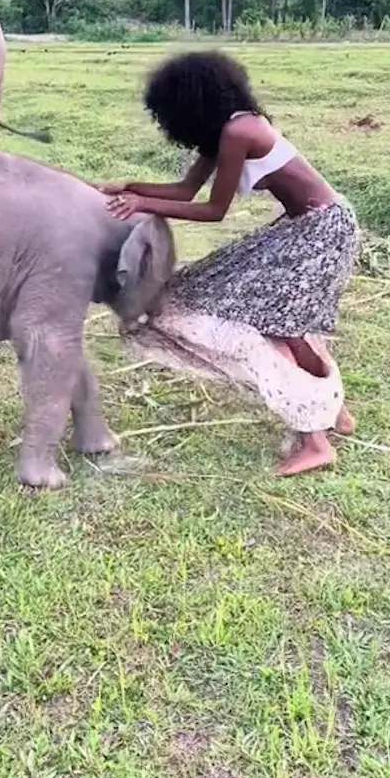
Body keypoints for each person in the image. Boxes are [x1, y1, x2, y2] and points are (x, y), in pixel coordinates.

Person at [100, 50, 359, 476]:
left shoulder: (241, 129)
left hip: (324, 228)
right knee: (272, 318)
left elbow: (214, 210)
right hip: (301, 225)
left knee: (280, 323)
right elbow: (184, 190)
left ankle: (315, 439)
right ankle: (333, 410)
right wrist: (131, 186)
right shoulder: (221, 132)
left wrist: (141, 203)